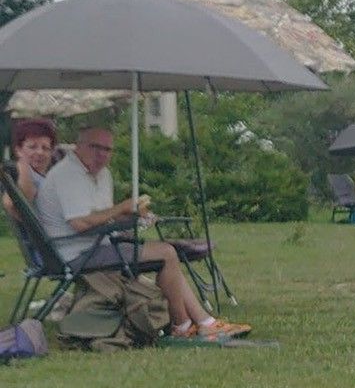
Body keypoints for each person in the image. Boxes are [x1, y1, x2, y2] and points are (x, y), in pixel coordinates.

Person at [34, 126, 249, 340]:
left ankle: (198, 323)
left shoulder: (102, 174)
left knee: (166, 254)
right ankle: (187, 325)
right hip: (77, 253)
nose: (101, 154)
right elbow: (80, 223)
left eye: (107, 149)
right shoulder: (67, 175)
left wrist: (132, 216)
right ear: (78, 146)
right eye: (95, 147)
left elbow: (102, 216)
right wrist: (122, 208)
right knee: (166, 253)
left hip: (99, 244)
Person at [4, 118, 59, 211]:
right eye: (32, 147)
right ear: (19, 150)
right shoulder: (11, 176)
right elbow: (14, 207)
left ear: (52, 152)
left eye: (45, 148)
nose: (40, 152)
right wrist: (23, 165)